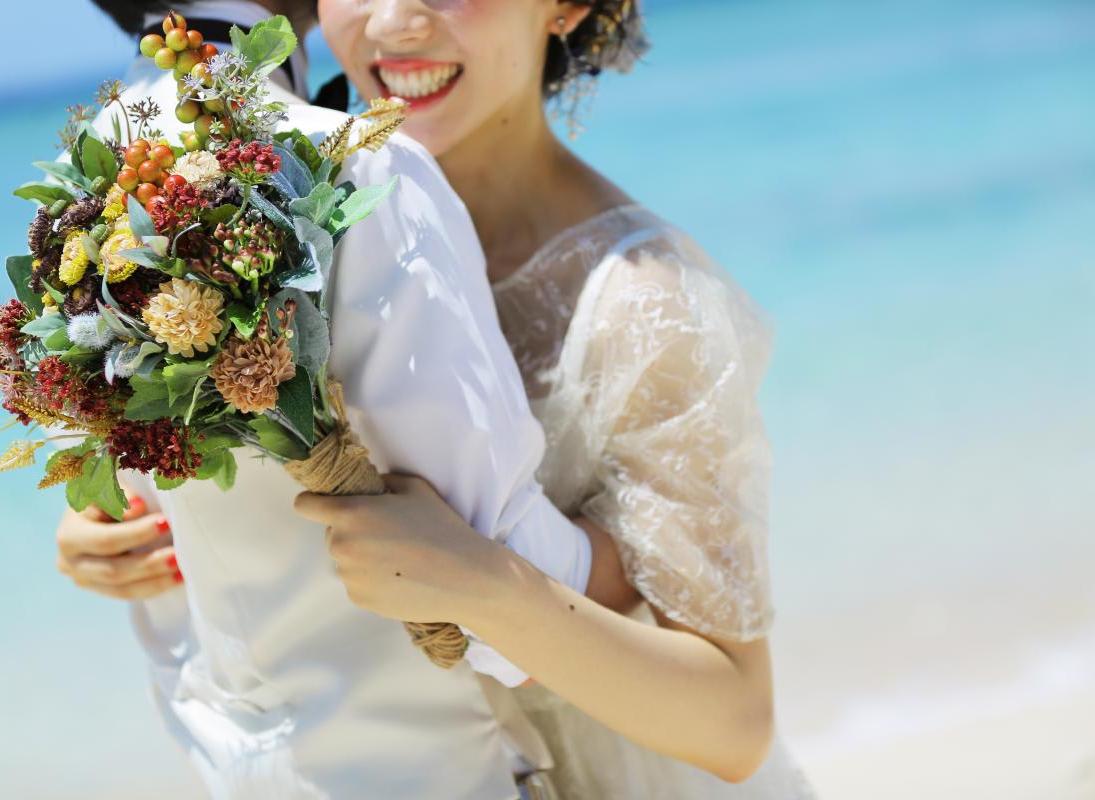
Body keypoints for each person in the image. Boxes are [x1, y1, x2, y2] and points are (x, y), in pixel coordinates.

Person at [54, 1, 626, 797]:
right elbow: (502, 603)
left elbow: (136, 516)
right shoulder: (358, 165)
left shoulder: (75, 195)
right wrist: (642, 554)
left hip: (228, 767)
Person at [297, 0, 817, 796]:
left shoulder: (647, 304)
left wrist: (480, 582)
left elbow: (735, 720)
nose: (395, 22)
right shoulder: (297, 226)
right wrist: (138, 524)